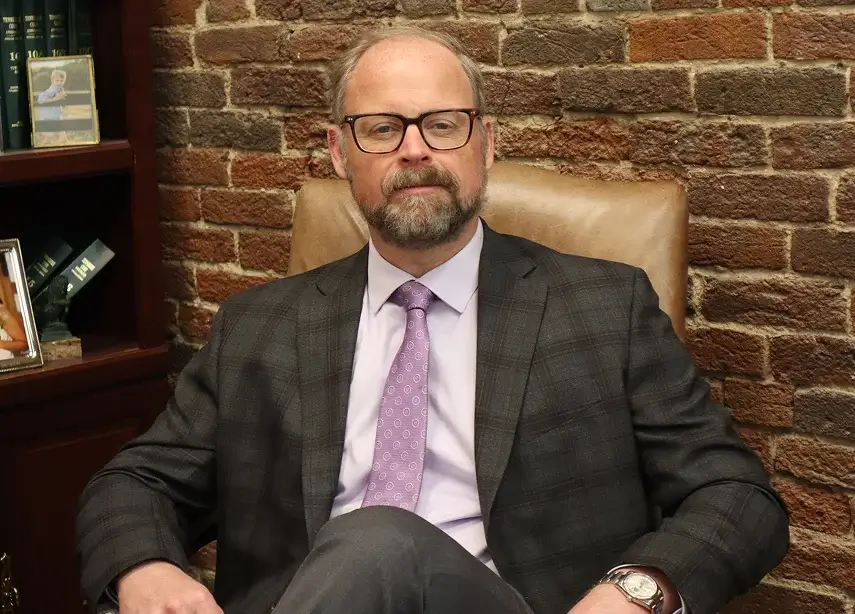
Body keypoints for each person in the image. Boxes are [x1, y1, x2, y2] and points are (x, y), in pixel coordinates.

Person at [75, 25, 789, 614]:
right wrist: (142, 568)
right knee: (365, 548)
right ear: (337, 152)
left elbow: (736, 495)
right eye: (381, 128)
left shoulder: (602, 307)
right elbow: (135, 484)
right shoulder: (258, 327)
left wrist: (636, 592)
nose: (414, 150)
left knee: (378, 539)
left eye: (441, 124)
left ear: (485, 143)